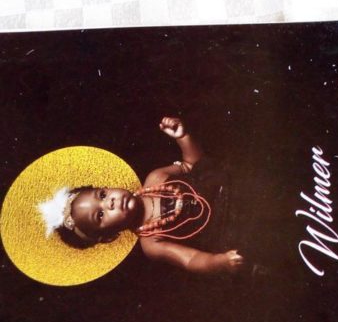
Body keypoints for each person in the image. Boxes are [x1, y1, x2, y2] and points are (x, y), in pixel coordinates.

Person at [38, 117, 244, 274]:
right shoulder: (151, 244)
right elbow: (190, 259)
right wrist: (220, 262)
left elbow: (193, 165)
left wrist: (183, 137)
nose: (109, 203)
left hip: (236, 183)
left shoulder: (156, 178)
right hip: (233, 229)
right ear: (109, 237)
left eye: (102, 194)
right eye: (100, 215)